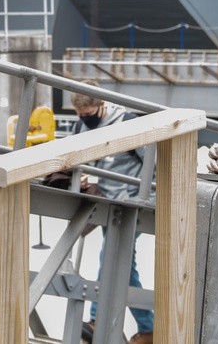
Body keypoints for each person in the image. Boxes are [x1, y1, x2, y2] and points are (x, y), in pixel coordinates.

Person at [71, 81, 154, 344]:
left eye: (89, 115)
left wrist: (147, 198)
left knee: (113, 256)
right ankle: (148, 330)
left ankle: (98, 321)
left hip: (133, 203)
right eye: (80, 116)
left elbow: (154, 164)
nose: (86, 120)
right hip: (107, 203)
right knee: (122, 263)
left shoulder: (127, 124)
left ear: (101, 105)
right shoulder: (80, 127)